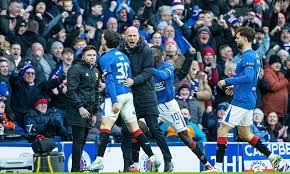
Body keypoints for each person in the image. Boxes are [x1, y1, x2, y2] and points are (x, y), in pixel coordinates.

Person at [209, 27, 283, 172]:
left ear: (245, 38)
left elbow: (249, 77)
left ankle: (217, 168)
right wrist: (236, 87)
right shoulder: (253, 55)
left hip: (241, 101)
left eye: (237, 37)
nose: (235, 39)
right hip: (248, 99)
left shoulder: (248, 56)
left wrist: (228, 81)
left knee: (222, 129)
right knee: (245, 134)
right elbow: (250, 80)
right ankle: (273, 157)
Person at [88, 29, 161, 172]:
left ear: (106, 40)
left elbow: (110, 81)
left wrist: (114, 101)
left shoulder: (105, 58)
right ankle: (153, 158)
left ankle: (99, 160)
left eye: (103, 38)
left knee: (105, 126)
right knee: (135, 129)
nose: (101, 39)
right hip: (128, 95)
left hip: (117, 95)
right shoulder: (123, 56)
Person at [119, 26, 173, 172]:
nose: (131, 38)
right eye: (129, 35)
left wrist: (134, 81)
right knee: (126, 131)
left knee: (155, 129)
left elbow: (148, 72)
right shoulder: (120, 51)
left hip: (146, 94)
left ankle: (168, 161)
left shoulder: (146, 50)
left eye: (134, 35)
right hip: (129, 96)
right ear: (125, 36)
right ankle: (128, 165)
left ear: (138, 36)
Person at [152, 49, 213, 170]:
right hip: (154, 106)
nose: (152, 55)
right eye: (150, 53)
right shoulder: (146, 67)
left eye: (154, 53)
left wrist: (148, 70)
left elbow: (163, 75)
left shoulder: (168, 65)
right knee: (139, 128)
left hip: (169, 106)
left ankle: (207, 164)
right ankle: (136, 164)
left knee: (185, 137)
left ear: (161, 55)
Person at [65, 45, 100, 172]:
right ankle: (75, 169)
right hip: (77, 110)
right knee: (78, 141)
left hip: (89, 111)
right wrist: (80, 107)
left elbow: (96, 92)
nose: (92, 57)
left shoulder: (96, 71)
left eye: (94, 55)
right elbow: (71, 91)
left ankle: (77, 169)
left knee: (83, 140)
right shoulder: (75, 69)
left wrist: (95, 112)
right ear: (83, 56)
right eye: (89, 55)